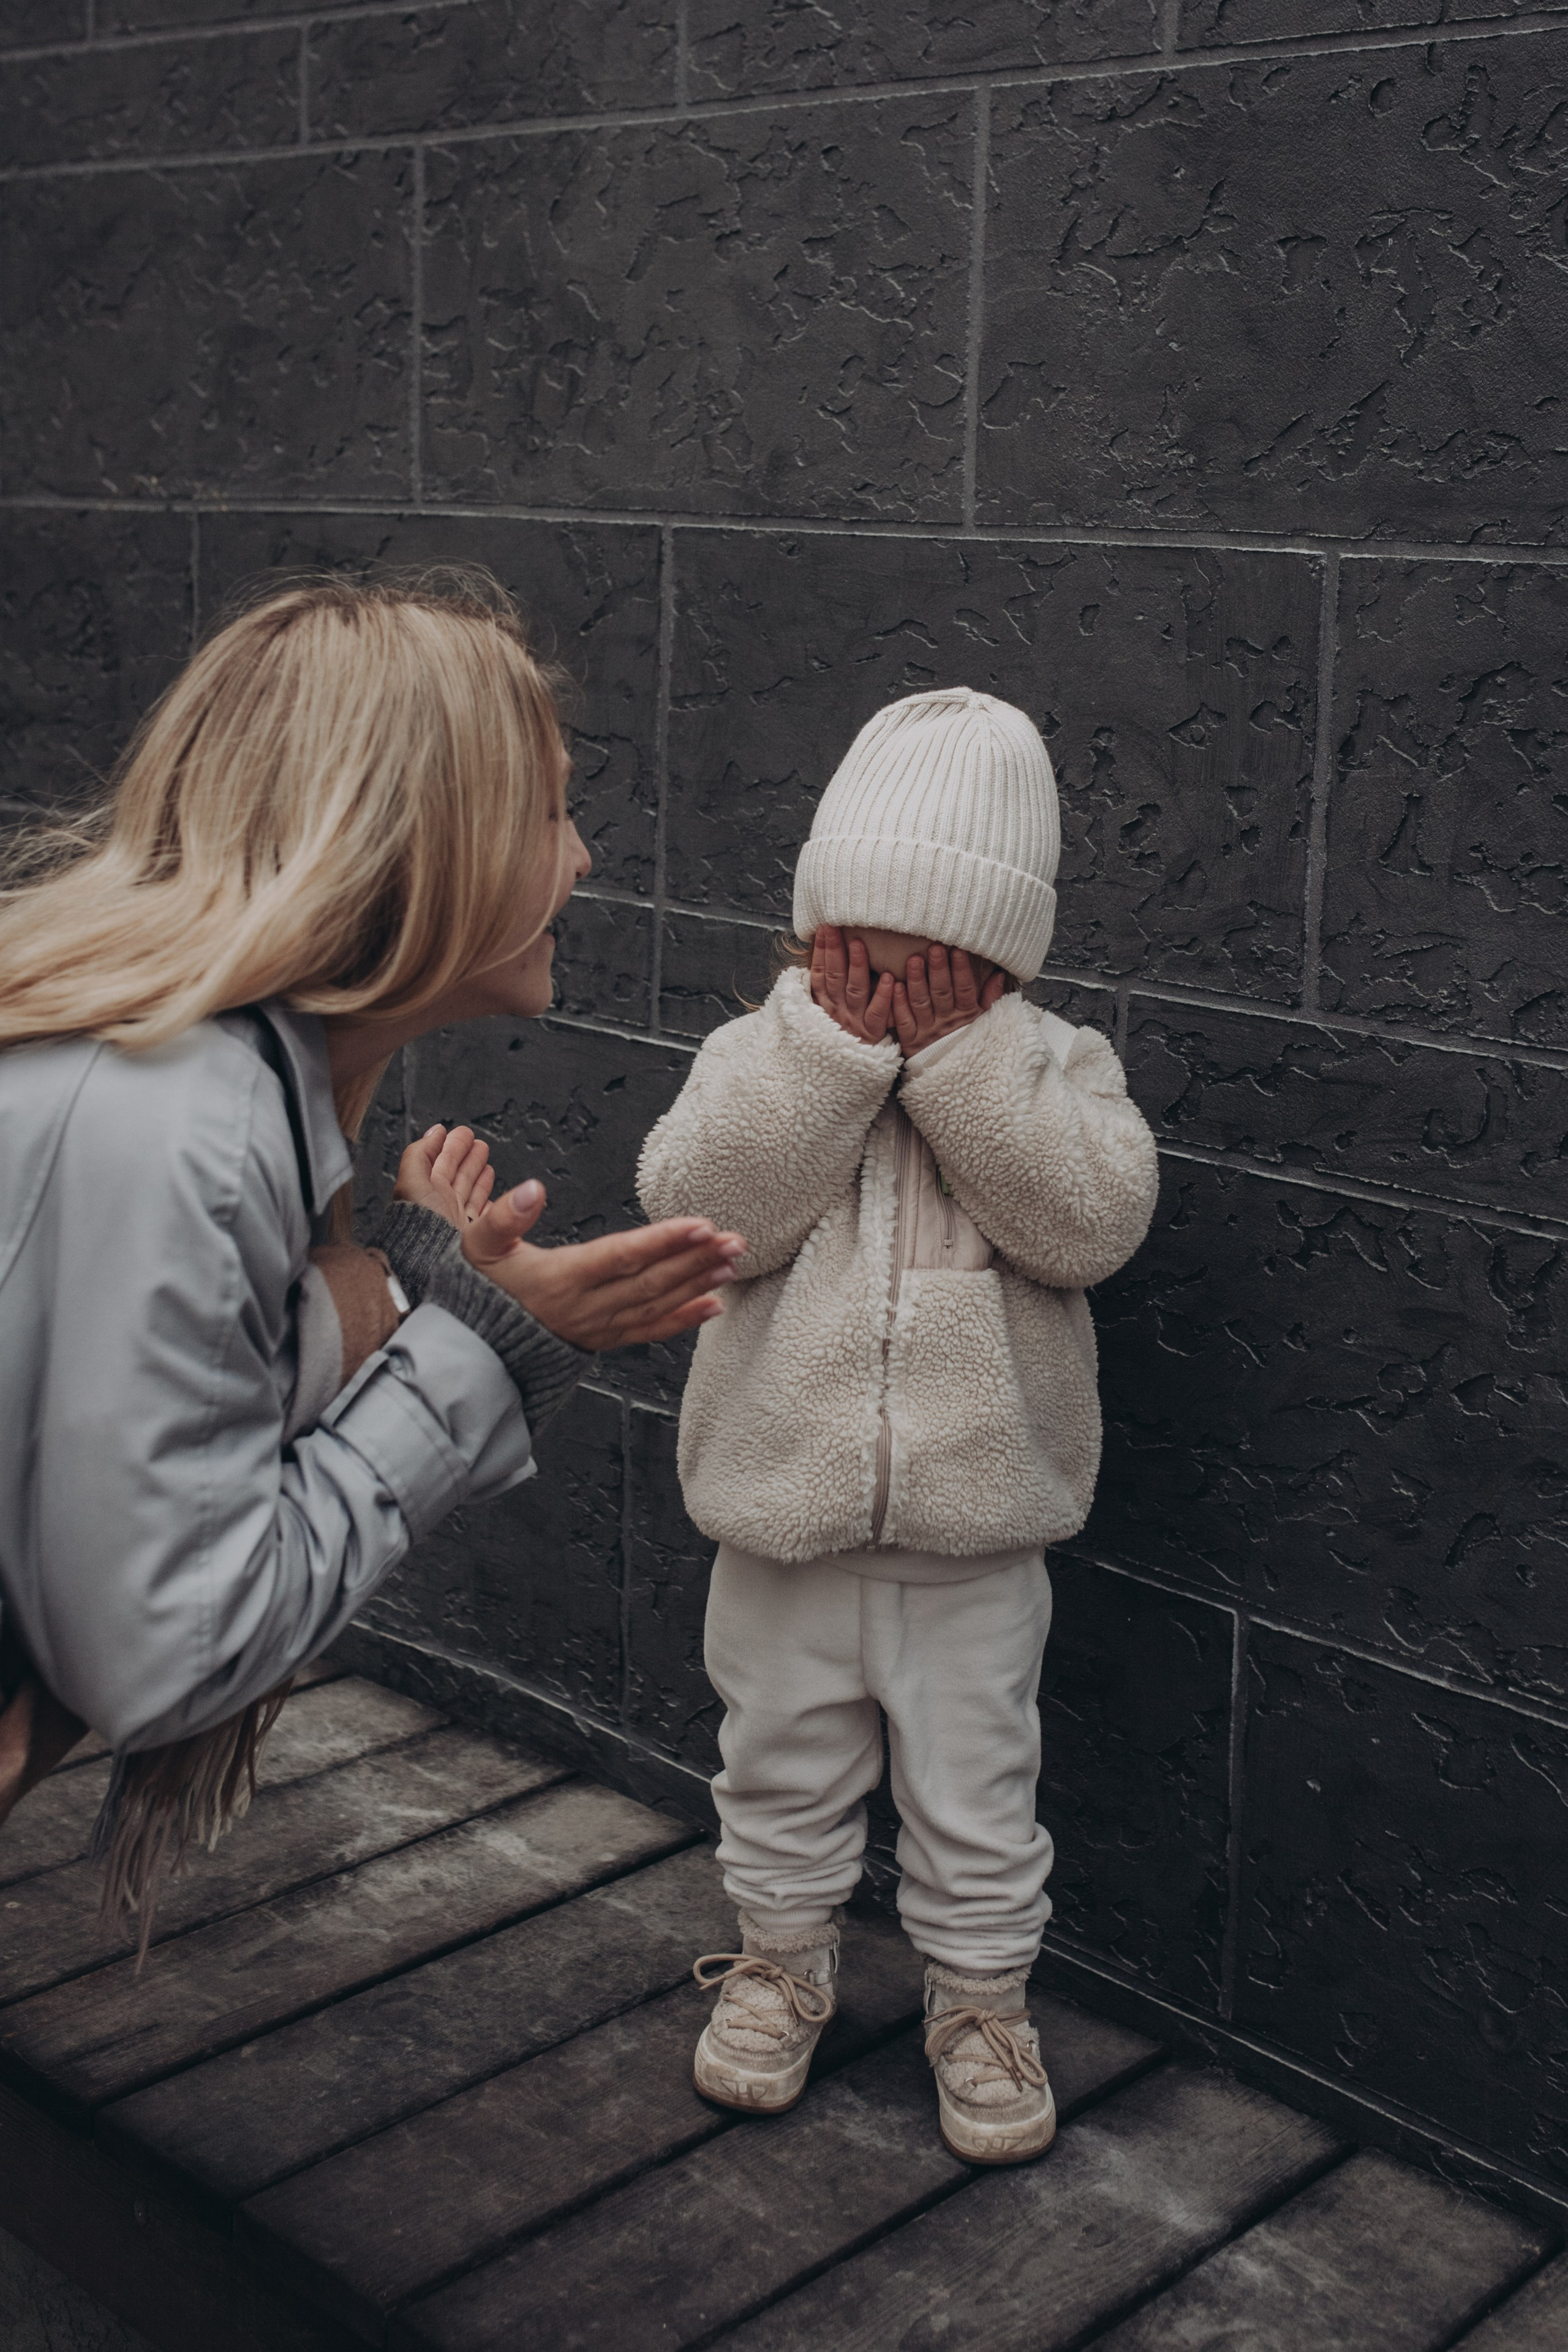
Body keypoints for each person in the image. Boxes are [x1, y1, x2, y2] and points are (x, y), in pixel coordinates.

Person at [0, 571, 742, 1931]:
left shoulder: (188, 1079)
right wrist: (479, 1346)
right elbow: (175, 1649)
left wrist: (416, 1287)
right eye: (548, 809)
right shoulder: (189, 1119)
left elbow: (109, 1428)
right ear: (424, 839)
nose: (580, 858)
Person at [638, 686, 1159, 2165]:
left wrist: (963, 1071)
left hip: (974, 1544)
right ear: (813, 939)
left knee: (977, 1790)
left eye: (939, 966)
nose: (893, 986)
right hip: (780, 1521)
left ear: (1000, 965)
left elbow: (1087, 1227)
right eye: (858, 951)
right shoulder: (763, 1054)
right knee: (776, 1764)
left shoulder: (1057, 1071)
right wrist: (833, 1061)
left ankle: (981, 2002)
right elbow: (705, 1218)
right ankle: (779, 1962)